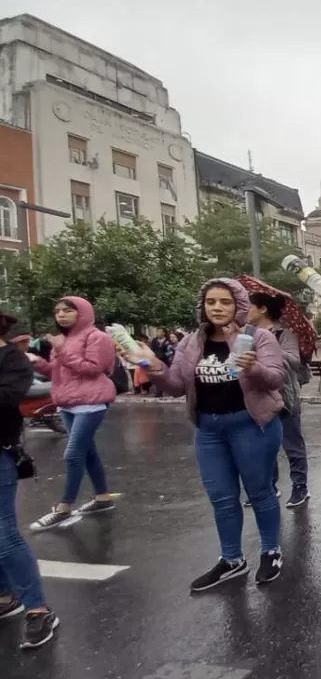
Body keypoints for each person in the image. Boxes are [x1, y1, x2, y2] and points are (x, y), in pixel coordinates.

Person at [140, 278, 287, 591]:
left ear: (238, 305)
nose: (217, 308)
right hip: (208, 429)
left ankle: (271, 552)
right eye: (211, 302)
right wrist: (154, 368)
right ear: (202, 306)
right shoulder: (192, 342)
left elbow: (275, 378)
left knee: (260, 492)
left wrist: (252, 368)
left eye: (225, 302)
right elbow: (177, 386)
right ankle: (231, 559)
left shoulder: (257, 337)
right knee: (221, 497)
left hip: (252, 425)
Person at [28, 296, 118, 531]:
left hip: (91, 402)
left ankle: (64, 507)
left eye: (68, 311)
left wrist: (62, 350)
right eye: (57, 311)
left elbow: (93, 369)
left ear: (83, 313)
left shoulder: (97, 337)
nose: (61, 315)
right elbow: (57, 373)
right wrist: (36, 361)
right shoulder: (64, 339)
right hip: (67, 403)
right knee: (88, 453)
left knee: (73, 454)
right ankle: (102, 498)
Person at [0, 311, 59, 649]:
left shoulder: (13, 360)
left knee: (5, 533)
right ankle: (4, 595)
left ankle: (38, 608)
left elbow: (6, 400)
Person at [247, 292, 310, 508]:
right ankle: (269, 487)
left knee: (292, 445)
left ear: (263, 308)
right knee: (264, 447)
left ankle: (300, 487)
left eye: (249, 306)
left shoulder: (284, 333)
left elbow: (294, 360)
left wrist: (269, 348)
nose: (245, 310)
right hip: (258, 397)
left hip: (285, 396)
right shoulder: (247, 334)